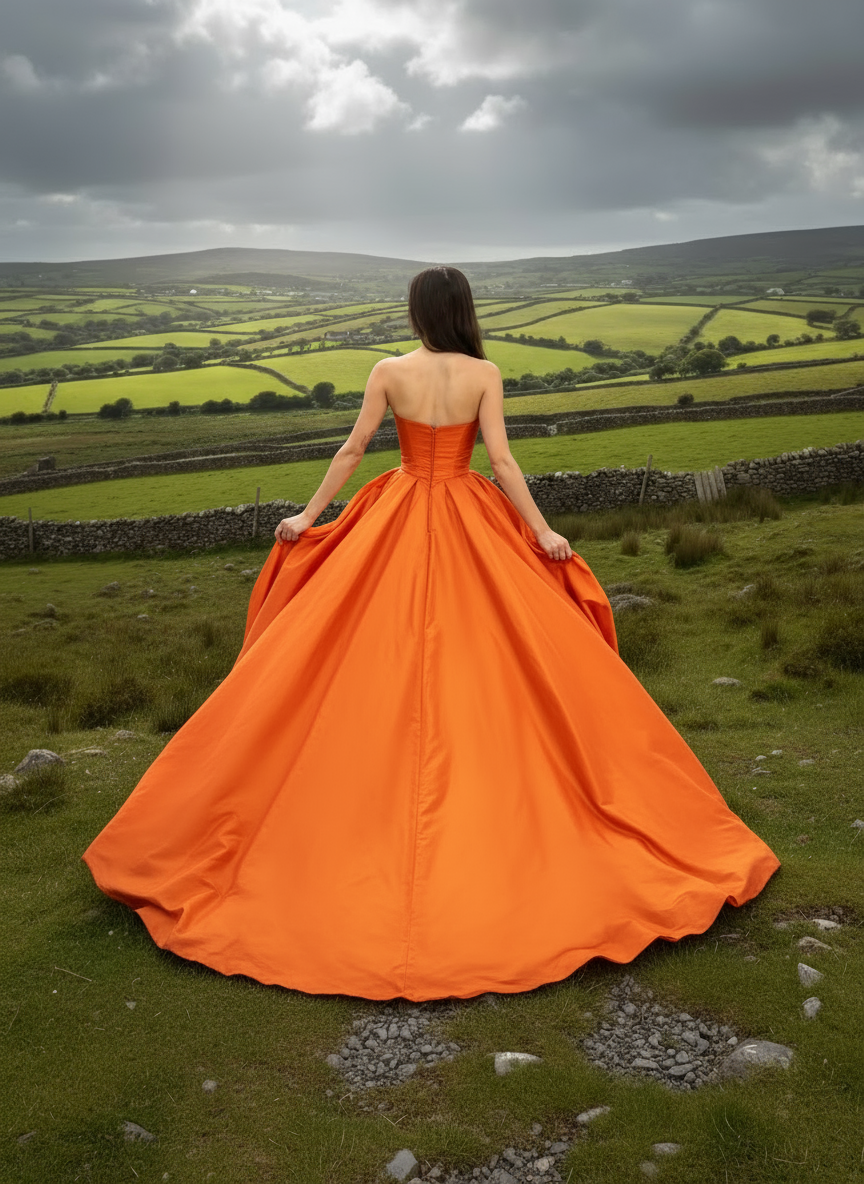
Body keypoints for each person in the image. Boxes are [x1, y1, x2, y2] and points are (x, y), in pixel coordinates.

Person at [83, 266, 779, 1002]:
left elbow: (353, 451)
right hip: (468, 516)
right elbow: (502, 461)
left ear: (417, 312)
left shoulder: (388, 370)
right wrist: (541, 531)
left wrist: (309, 515)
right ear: (464, 312)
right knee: (496, 647)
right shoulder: (485, 371)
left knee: (352, 646)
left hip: (401, 508)